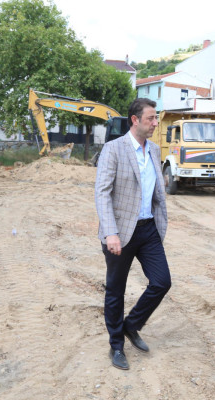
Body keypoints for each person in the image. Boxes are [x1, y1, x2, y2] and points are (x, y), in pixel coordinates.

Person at [95, 98, 171, 370]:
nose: (155, 123)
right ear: (135, 120)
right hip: (120, 231)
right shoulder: (113, 149)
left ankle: (131, 324)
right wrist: (110, 232)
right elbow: (102, 193)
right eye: (151, 118)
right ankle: (116, 345)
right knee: (116, 290)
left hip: (148, 228)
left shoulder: (154, 149)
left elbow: (156, 191)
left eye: (156, 118)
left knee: (162, 282)